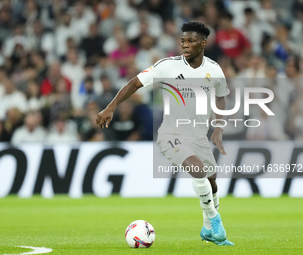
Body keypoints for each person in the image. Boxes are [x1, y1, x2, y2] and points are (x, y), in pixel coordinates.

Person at [96, 21, 234, 246]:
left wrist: (218, 128)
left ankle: (208, 230)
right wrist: (111, 107)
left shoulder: (214, 69)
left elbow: (221, 96)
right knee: (198, 171)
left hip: (198, 136)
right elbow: (134, 83)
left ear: (203, 43)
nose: (185, 45)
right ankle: (216, 221)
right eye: (183, 41)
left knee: (212, 182)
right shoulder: (167, 66)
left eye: (190, 41)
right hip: (171, 134)